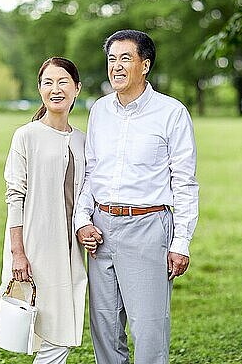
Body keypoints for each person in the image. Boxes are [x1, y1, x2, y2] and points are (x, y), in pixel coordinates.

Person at [75, 30, 199, 364]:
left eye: (125, 58)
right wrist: (83, 220)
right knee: (104, 328)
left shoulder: (171, 113)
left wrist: (180, 243)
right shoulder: (99, 110)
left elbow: (185, 183)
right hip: (100, 230)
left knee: (148, 331)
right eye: (111, 59)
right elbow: (91, 172)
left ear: (144, 66)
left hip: (148, 228)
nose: (115, 66)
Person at [0, 57, 88, 364]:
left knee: (63, 326)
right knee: (47, 329)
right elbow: (14, 197)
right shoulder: (26, 136)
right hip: (34, 248)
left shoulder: (83, 140)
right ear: (39, 89)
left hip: (70, 249)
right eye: (48, 82)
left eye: (63, 82)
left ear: (77, 89)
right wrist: (17, 254)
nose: (55, 89)